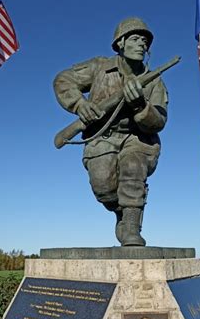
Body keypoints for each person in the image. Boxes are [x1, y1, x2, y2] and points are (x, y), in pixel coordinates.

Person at [53, 17, 168, 246]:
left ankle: (132, 227)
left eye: (145, 41)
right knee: (103, 186)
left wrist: (139, 106)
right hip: (102, 137)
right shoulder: (99, 67)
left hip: (138, 138)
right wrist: (79, 105)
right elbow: (63, 80)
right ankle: (122, 213)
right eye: (135, 39)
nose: (141, 45)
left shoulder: (154, 81)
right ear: (121, 43)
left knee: (133, 167)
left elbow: (159, 121)